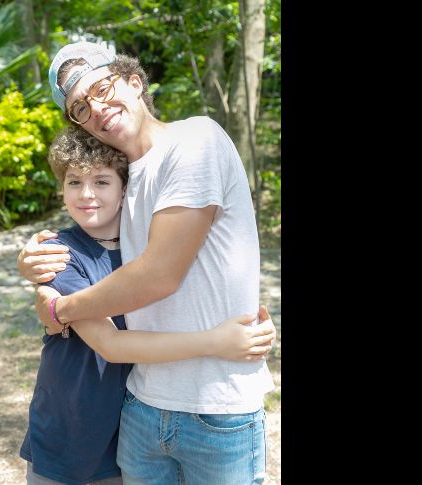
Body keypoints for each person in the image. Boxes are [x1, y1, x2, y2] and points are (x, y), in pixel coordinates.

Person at [18, 41, 276, 484]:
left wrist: (60, 309)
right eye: (80, 107)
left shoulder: (195, 139)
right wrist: (34, 263)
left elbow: (159, 275)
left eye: (102, 88)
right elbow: (93, 241)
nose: (95, 108)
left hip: (215, 407)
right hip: (140, 406)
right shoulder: (123, 177)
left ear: (135, 82)